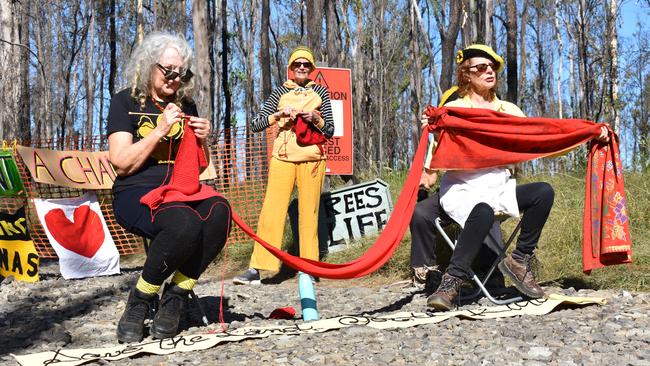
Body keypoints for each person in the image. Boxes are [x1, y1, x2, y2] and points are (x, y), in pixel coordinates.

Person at [425, 44, 609, 311]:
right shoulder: (455, 109)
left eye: (492, 68)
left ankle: (519, 260)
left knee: (543, 192)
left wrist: (587, 134)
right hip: (463, 188)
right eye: (480, 67)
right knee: (483, 211)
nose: (489, 71)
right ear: (467, 74)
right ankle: (452, 281)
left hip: (498, 186)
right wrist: (431, 127)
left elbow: (539, 138)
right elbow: (438, 143)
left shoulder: (508, 110)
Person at [108, 31, 231, 342]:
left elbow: (199, 166)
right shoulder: (124, 101)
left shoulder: (186, 104)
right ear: (150, 65)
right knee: (184, 223)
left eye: (181, 73)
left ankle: (176, 295)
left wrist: (203, 141)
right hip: (135, 192)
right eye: (169, 70)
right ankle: (140, 298)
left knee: (219, 211)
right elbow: (121, 163)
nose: (175, 78)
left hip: (179, 190)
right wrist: (159, 130)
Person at [233, 46, 334, 285]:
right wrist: (277, 115)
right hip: (282, 158)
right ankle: (257, 267)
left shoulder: (321, 92)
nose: (301, 68)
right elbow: (257, 124)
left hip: (312, 159)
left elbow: (330, 130)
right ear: (291, 67)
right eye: (297, 64)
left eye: (306, 64)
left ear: (311, 68)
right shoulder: (279, 91)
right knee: (271, 211)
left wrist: (315, 118)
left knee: (309, 213)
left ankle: (308, 268)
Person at [410, 87, 505, 291]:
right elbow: (429, 175)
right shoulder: (442, 138)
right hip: (453, 191)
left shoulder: (485, 130)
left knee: (485, 211)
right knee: (420, 213)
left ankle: (491, 271)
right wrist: (421, 186)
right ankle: (427, 271)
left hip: (486, 190)